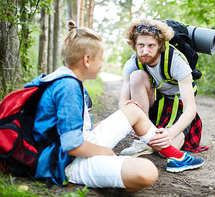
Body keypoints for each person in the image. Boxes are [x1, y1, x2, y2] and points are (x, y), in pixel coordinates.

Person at [25, 21, 204, 192]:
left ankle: (178, 156)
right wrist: (105, 153)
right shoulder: (69, 87)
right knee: (148, 171)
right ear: (87, 60)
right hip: (65, 162)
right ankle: (108, 175)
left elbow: (68, 128)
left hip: (76, 145)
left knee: (133, 110)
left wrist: (104, 126)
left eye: (150, 45)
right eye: (100, 59)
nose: (102, 64)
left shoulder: (66, 79)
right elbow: (71, 145)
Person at [119, 19, 208, 157]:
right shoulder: (132, 63)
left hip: (179, 105)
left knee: (165, 150)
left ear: (160, 45)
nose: (145, 51)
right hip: (156, 101)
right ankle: (143, 139)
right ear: (134, 45)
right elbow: (123, 102)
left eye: (151, 45)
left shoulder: (176, 61)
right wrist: (132, 123)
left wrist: (170, 132)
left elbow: (190, 109)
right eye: (140, 45)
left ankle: (165, 137)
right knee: (136, 76)